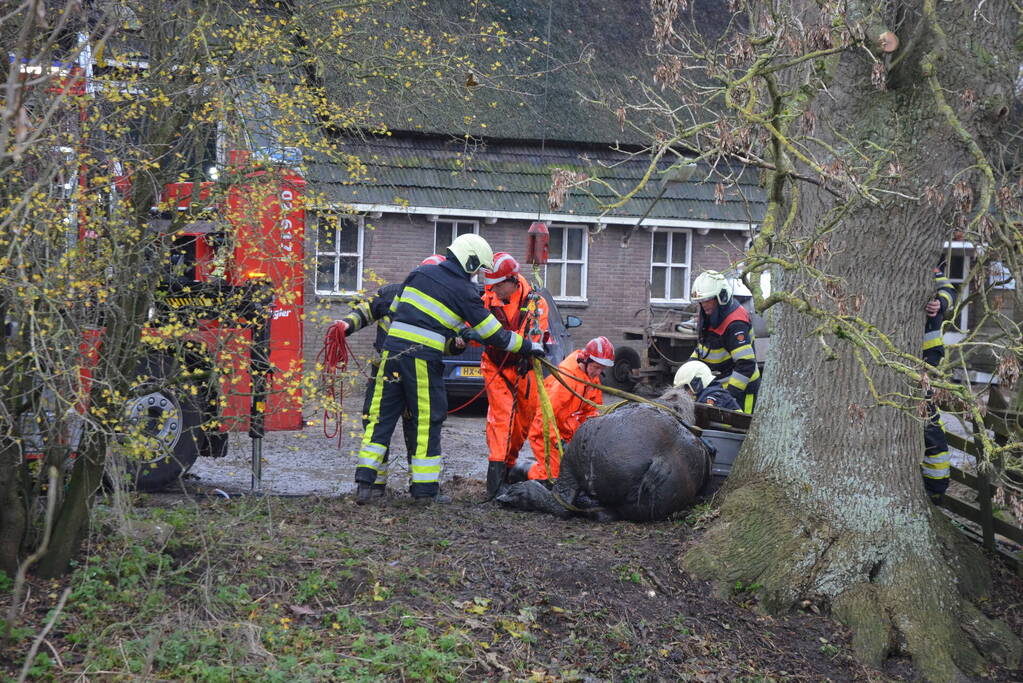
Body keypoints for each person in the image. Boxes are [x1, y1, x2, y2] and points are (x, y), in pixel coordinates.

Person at [354, 234, 546, 505]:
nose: (477, 276)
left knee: (379, 420)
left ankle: (366, 488)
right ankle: (424, 493)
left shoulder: (419, 273)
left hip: (390, 355)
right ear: (470, 262)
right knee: (426, 421)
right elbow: (495, 334)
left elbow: (399, 312)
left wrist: (451, 339)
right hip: (421, 361)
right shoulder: (463, 290)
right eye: (478, 269)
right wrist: (527, 346)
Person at [336, 255, 450, 505]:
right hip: (393, 371)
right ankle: (383, 487)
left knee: (401, 428)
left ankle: (411, 487)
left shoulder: (440, 303)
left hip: (403, 371)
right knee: (388, 425)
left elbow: (447, 343)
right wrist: (345, 325)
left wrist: (458, 344)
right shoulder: (391, 294)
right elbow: (365, 311)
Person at [478, 252, 551, 497]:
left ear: (512, 280)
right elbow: (474, 332)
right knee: (501, 418)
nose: (494, 290)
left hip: (523, 369)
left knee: (522, 423)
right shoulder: (487, 300)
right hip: (495, 366)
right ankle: (495, 480)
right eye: (491, 286)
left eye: (498, 286)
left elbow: (534, 338)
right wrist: (468, 335)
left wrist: (524, 349)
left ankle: (508, 468)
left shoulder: (536, 304)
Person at [523, 336, 614, 481]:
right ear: (585, 360)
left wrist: (589, 438)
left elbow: (591, 412)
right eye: (596, 367)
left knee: (576, 473)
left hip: (566, 432)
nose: (598, 372)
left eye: (602, 369)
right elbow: (545, 417)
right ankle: (522, 472)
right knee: (553, 476)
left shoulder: (592, 379)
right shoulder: (566, 380)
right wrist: (558, 442)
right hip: (546, 432)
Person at [688, 270, 760, 413]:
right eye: (701, 301)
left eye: (708, 300)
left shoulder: (735, 322)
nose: (704, 305)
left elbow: (746, 364)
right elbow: (702, 349)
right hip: (720, 385)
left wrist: (728, 396)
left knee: (741, 425)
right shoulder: (709, 315)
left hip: (742, 389)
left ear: (721, 297)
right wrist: (688, 370)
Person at [921, 266, 957, 504]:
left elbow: (950, 291)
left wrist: (940, 303)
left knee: (929, 420)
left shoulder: (931, 268)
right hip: (905, 357)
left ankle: (935, 489)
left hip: (927, 357)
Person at [673, 360, 740, 411]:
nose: (684, 393)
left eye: (686, 388)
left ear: (697, 383)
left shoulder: (711, 397)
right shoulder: (711, 393)